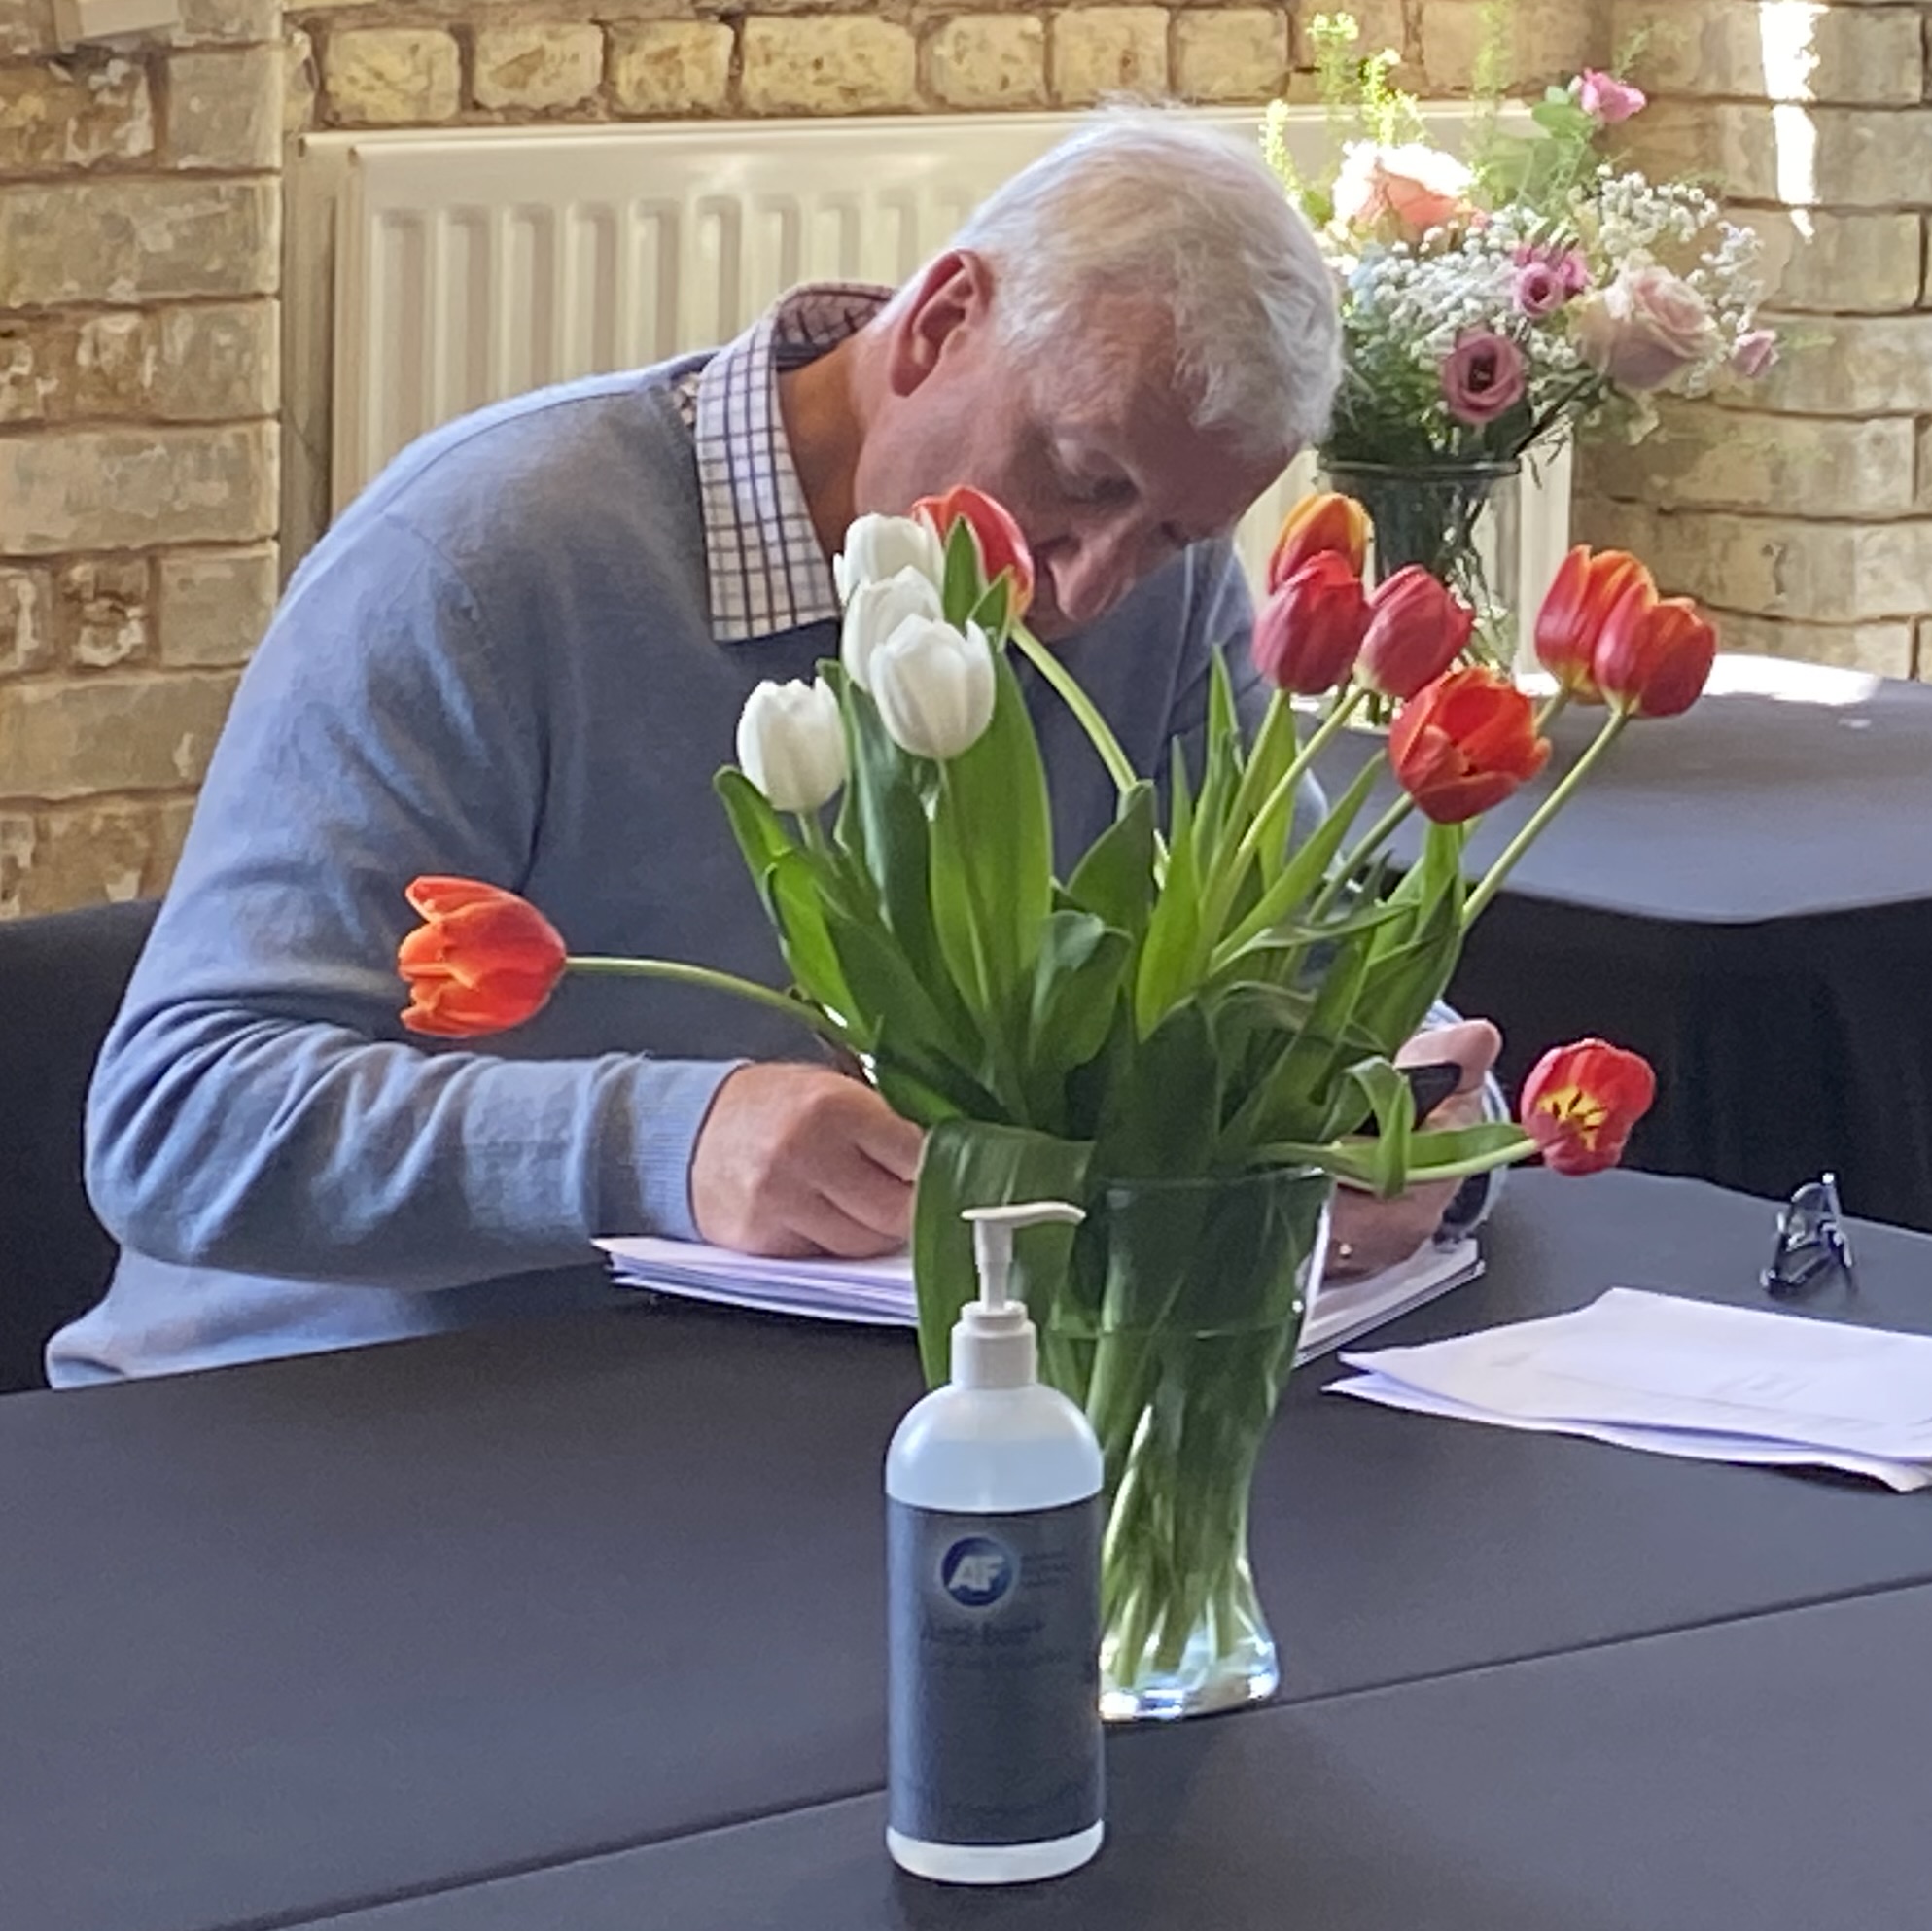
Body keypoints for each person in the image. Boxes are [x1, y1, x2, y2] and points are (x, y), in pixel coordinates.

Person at [52, 116, 1494, 1385]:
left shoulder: (1158, 593)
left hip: (783, 1411)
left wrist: (1398, 1113)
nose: (1090, 585)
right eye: (1081, 478)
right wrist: (668, 1142)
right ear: (937, 325)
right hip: (326, 1423)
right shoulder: (488, 564)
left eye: (1179, 531)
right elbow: (184, 1120)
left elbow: (1288, 981)